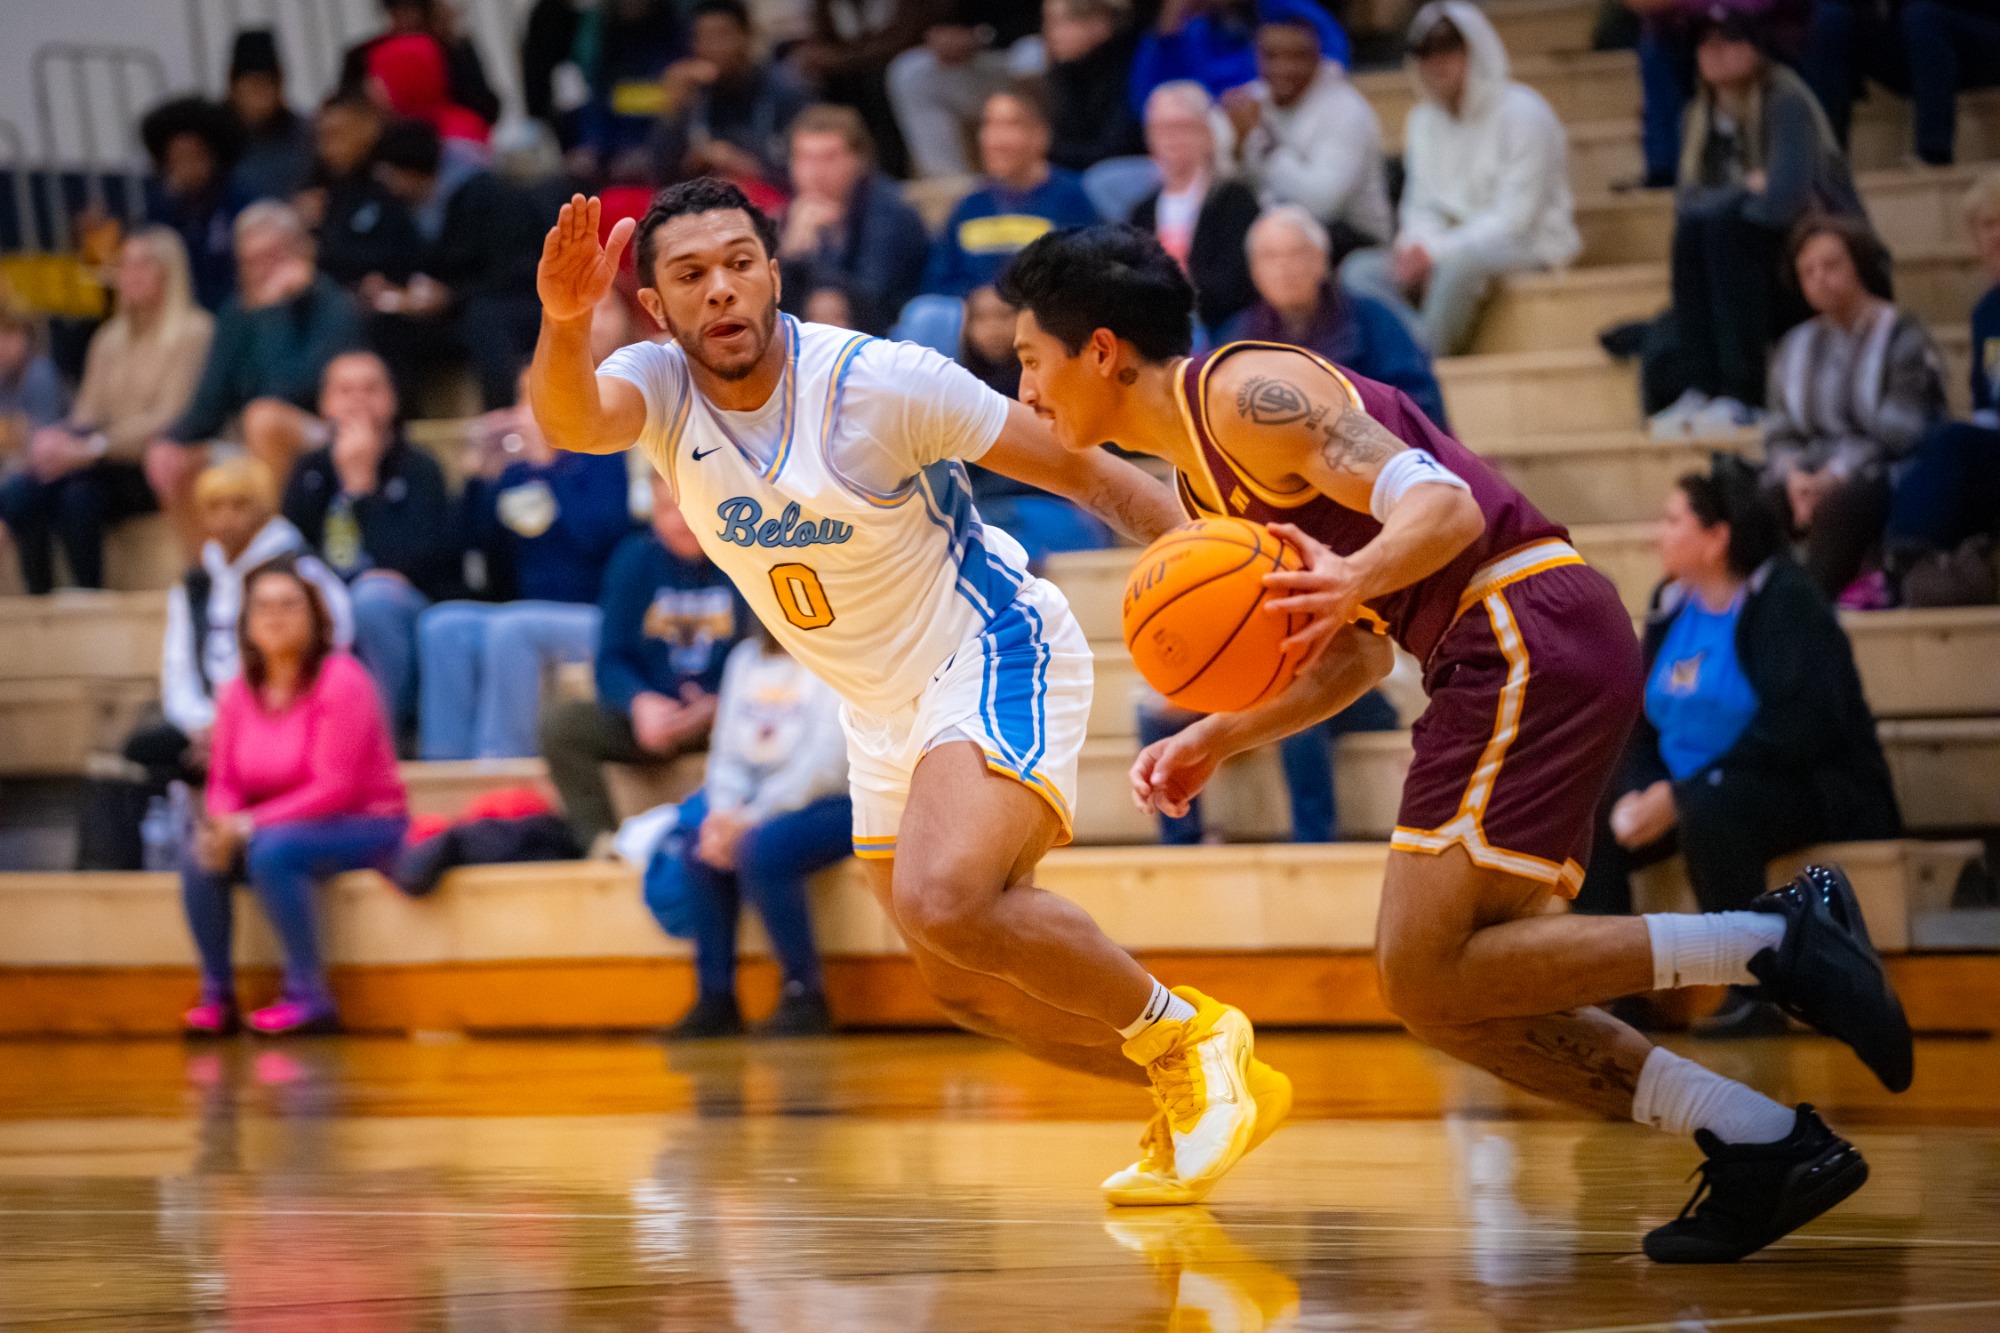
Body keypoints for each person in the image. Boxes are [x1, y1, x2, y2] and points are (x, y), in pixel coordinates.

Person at [1002, 222, 1912, 1256]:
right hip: (1481, 651)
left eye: (1030, 359)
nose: (1026, 391)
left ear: (1102, 350)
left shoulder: (1246, 393)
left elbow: (1437, 505)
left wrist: (1351, 575)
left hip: (1518, 622)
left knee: (1419, 965)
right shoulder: (1209, 485)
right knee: (1445, 992)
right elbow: (1346, 656)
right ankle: (1757, 1136)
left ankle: (1772, 940)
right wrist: (1221, 732)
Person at [530, 179, 1283, 1203]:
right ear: (656, 308)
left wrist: (1236, 569)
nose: (721, 290)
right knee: (957, 979)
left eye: (740, 262)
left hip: (987, 645)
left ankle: (1194, 1038)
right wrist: (566, 320)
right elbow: (574, 420)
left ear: (773, 271)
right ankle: (1187, 1083)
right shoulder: (658, 384)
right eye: (691, 274)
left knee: (945, 896)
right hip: (875, 704)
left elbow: (1088, 472)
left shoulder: (878, 385)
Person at [1578, 459, 1900, 1038]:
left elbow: (1802, 727)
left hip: (1813, 784)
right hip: (1702, 788)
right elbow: (1644, 719)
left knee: (1714, 806)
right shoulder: (1670, 601)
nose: (1660, 533)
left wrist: (1682, 795)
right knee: (1586, 814)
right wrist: (1635, 788)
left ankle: (1755, 991)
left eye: (1673, 520)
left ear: (1717, 537)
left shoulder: (1786, 600)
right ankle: (1617, 993)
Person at [181, 555, 407, 1037]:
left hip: (364, 823)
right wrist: (222, 825)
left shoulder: (341, 679)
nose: (276, 617)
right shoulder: (237, 692)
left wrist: (247, 826)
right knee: (199, 852)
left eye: (289, 606)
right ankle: (216, 995)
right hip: (276, 826)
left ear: (315, 617)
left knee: (273, 851)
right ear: (246, 622)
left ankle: (309, 994)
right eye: (263, 607)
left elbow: (335, 788)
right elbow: (223, 782)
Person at [1648, 8, 1864, 438]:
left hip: (1813, 264)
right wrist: (1747, 187)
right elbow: (1684, 205)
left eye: (1727, 39)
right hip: (1750, 265)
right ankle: (1702, 388)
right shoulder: (1700, 113)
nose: (1713, 52)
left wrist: (1730, 200)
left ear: (1755, 48)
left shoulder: (1785, 97)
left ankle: (1744, 394)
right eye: (1704, 43)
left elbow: (1782, 202)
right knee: (1693, 233)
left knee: (1726, 230)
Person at [1341, 3, 1580, 357]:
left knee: (1461, 264)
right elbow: (1420, 204)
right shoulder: (1422, 120)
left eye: (1448, 48)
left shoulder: (1524, 113)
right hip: (1447, 248)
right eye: (1424, 51)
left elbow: (1516, 218)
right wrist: (1417, 246)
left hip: (1527, 245)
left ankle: (1420, 358)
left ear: (1476, 48)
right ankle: (1412, 346)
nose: (1436, 62)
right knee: (1358, 271)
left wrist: (1435, 253)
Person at [653, 617, 852, 1039]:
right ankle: (716, 999)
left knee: (763, 848)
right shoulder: (745, 658)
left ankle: (805, 996)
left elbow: (827, 765)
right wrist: (722, 814)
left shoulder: (838, 652)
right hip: (757, 804)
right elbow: (726, 753)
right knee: (696, 847)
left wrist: (749, 818)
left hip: (838, 801)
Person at [131, 460, 356, 828]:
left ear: (264, 509)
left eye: (239, 505)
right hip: (206, 721)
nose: (226, 519)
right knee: (140, 750)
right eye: (215, 507)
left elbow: (333, 648)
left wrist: (242, 721)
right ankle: (133, 868)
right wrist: (200, 723)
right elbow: (178, 667)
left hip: (280, 716)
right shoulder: (196, 583)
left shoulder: (299, 570)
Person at [418, 378, 633, 761]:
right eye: (524, 399)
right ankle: (443, 766)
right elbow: (475, 560)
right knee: (442, 627)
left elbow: (602, 539)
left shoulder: (604, 457)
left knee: (513, 628)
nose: (530, 411)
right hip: (522, 611)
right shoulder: (516, 472)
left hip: (593, 612)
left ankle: (501, 765)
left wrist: (550, 467)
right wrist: (476, 482)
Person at [0, 230, 211, 594]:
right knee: (30, 487)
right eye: (125, 266)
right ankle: (41, 600)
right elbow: (85, 414)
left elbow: (171, 417)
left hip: (148, 462)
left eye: (142, 265)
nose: (130, 275)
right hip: (97, 459)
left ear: (169, 272)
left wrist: (93, 447)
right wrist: (58, 440)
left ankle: (87, 593)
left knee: (77, 494)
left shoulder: (195, 331)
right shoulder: (108, 339)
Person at [150, 202, 364, 554]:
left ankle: (271, 557)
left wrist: (277, 312)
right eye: (250, 262)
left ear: (300, 255)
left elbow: (295, 387)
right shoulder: (236, 314)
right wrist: (170, 441)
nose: (261, 272)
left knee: (263, 417)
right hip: (257, 437)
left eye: (272, 258)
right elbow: (208, 405)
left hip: (328, 433)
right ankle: (206, 580)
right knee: (177, 461)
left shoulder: (331, 303)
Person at [541, 476, 742, 850]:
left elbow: (765, 657)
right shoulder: (633, 559)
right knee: (565, 726)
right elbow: (610, 658)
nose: (681, 521)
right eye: (667, 510)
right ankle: (601, 844)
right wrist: (639, 702)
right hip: (653, 719)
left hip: (727, 719)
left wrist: (719, 705)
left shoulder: (744, 560)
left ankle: (731, 837)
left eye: (688, 508)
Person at [1762, 216, 1946, 602]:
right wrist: (1794, 476)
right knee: (1760, 502)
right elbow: (1779, 431)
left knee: (1843, 503)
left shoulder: (1901, 330)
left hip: (1887, 468)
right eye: (1807, 271)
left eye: (1831, 265)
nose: (1819, 278)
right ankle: (1761, 616)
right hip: (1812, 472)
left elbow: (1903, 429)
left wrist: (1837, 473)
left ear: (1858, 264)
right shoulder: (1794, 345)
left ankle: (1810, 613)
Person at [282, 351, 458, 737]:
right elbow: (292, 554)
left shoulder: (420, 468)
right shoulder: (309, 470)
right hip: (330, 608)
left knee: (373, 598)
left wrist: (360, 489)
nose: (358, 399)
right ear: (324, 404)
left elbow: (414, 566)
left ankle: (377, 744)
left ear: (392, 399)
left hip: (405, 615)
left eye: (371, 388)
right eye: (345, 390)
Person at [366, 118, 552, 410]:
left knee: (487, 320)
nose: (391, 187)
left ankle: (502, 417)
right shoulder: (406, 207)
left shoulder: (489, 195)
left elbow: (516, 270)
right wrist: (395, 287)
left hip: (509, 299)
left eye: (391, 176)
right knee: (385, 327)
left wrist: (452, 296)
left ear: (409, 172)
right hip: (453, 305)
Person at [1884, 172, 2000, 596]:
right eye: (1987, 225)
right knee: (1936, 447)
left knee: (1951, 445)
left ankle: (1900, 563)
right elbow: (1985, 400)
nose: (1995, 235)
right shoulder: (1987, 311)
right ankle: (1916, 568)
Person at [1228, 206, 1448, 427]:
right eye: (1269, 257)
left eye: (1296, 253)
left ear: (1322, 260)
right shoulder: (1237, 338)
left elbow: (1420, 405)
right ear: (1253, 270)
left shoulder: (1373, 320)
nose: (1283, 267)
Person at [958, 284, 1114, 565]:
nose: (992, 328)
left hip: (1058, 510)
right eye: (980, 319)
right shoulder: (958, 391)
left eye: (1003, 316)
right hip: (986, 512)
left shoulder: (1059, 384)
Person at [1221, 12, 1390, 261]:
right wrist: (1236, 145)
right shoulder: (1251, 101)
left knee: (1272, 242)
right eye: (1271, 56)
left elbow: (1323, 204)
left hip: (1354, 238)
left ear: (1318, 58)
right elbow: (1214, 185)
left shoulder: (1346, 110)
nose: (1283, 68)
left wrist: (1268, 149)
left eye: (1297, 57)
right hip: (1276, 228)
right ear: (1256, 58)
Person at [1135, 686, 1399, 844]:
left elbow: (1331, 671)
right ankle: (1182, 846)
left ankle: (1314, 844)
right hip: (1257, 694)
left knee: (1300, 720)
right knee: (1153, 713)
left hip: (1356, 693)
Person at [922, 87, 1101, 298]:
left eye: (1009, 125)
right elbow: (937, 282)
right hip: (976, 321)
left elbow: (1088, 279)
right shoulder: (969, 206)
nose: (995, 140)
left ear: (1040, 135)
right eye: (989, 125)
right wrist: (974, 302)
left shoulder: (1073, 199)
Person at [776, 105, 929, 337]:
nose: (815, 172)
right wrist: (791, 251)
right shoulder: (793, 214)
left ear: (859, 160)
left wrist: (800, 259)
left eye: (829, 158)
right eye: (805, 158)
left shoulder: (891, 212)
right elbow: (774, 307)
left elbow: (868, 301)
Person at [1803, 0, 2000, 168]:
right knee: (1830, 19)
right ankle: (1826, 166)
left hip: (1978, 31)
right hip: (1916, 40)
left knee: (1922, 16)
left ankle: (1933, 154)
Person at [1131, 83, 1261, 336]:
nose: (1171, 139)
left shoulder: (1234, 200)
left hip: (1220, 326)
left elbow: (1238, 284)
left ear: (1207, 133)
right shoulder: (1142, 211)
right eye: (1161, 129)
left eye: (1182, 128)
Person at [649, 0, 811, 192]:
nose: (713, 47)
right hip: (701, 202)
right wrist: (675, 110)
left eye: (722, 35)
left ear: (746, 36)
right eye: (703, 37)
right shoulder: (693, 91)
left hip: (769, 203)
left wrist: (739, 163)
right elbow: (659, 174)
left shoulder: (786, 91)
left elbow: (805, 177)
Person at [886, 1, 1027, 180]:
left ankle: (1048, 174)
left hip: (1013, 56)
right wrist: (939, 37)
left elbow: (1035, 19)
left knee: (1031, 54)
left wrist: (981, 37)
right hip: (968, 65)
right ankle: (951, 185)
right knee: (909, 71)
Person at [302, 92, 425, 291]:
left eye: (337, 134)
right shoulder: (315, 189)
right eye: (321, 136)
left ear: (368, 129)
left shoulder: (395, 179)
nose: (327, 148)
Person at [1130, 0, 1348, 110]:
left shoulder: (1281, 12)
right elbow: (1144, 105)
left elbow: (1334, 62)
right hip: (1202, 144)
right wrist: (1169, 27)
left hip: (1278, 126)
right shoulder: (1185, 33)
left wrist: (1259, 97)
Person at [139, 96, 243, 312]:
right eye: (178, 159)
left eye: (194, 156)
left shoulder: (236, 199)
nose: (188, 167)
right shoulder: (161, 207)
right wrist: (169, 205)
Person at [339, 0, 501, 130]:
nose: (406, 19)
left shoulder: (454, 49)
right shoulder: (363, 55)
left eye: (412, 9)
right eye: (398, 10)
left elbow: (482, 106)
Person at [1044, 0, 1146, 174]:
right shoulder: (1064, 71)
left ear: (1100, 24)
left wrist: (1044, 151)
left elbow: (1116, 146)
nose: (1051, 33)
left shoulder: (1130, 65)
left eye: (1063, 22)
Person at [225, 30, 314, 203]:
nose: (260, 98)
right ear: (234, 87)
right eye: (253, 87)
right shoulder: (216, 139)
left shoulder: (306, 134)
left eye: (267, 85)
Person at [0, 302, 69, 462]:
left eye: (9, 335)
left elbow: (41, 436)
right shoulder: (4, 375)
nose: (2, 344)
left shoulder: (40, 374)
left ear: (27, 338)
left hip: (46, 464)